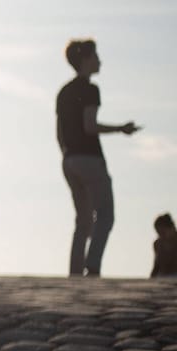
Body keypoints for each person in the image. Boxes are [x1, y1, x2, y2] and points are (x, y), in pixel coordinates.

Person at [57, 39, 139, 278]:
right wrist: (120, 129)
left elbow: (59, 132)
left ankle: (74, 271)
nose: (100, 61)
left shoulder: (64, 91)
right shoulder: (90, 90)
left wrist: (67, 153)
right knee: (105, 215)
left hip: (69, 159)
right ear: (85, 60)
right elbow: (89, 126)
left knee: (82, 220)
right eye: (96, 56)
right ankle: (92, 267)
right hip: (90, 159)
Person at [153, 214, 177, 279]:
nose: (161, 236)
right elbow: (156, 266)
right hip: (162, 278)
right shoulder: (157, 244)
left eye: (163, 232)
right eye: (158, 233)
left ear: (172, 228)